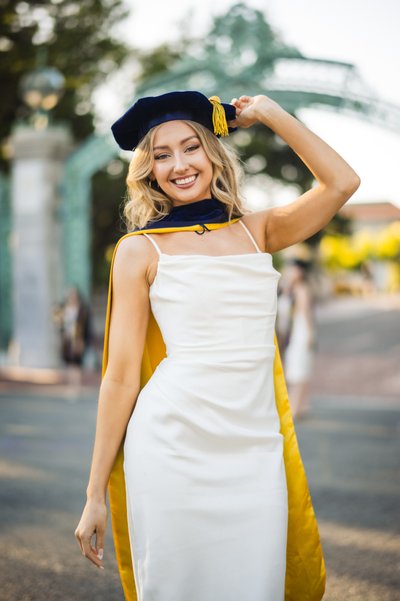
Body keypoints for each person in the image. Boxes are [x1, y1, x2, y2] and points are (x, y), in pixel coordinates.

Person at [74, 90, 360, 600]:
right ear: (148, 171)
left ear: (213, 152)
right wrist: (95, 491)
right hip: (170, 447)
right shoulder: (139, 250)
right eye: (161, 155)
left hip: (255, 450)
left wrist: (269, 113)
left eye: (190, 147)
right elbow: (119, 376)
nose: (179, 165)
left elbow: (342, 183)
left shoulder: (258, 232)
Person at [278, 258, 317, 420]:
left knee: (298, 370)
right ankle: (301, 405)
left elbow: (306, 315)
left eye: (294, 270)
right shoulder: (288, 289)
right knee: (294, 369)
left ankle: (295, 407)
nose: (291, 273)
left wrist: (310, 334)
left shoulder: (301, 290)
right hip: (289, 333)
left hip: (300, 333)